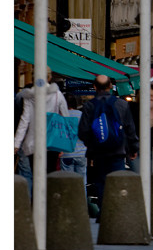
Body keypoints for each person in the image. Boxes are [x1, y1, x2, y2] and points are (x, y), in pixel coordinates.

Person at [77, 75, 139, 211]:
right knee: (116, 181)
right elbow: (130, 129)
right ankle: (116, 212)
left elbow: (83, 131)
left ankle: (103, 212)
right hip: (118, 151)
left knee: (100, 182)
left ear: (94, 87)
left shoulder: (89, 106)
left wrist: (92, 144)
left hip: (98, 153)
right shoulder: (122, 104)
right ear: (110, 86)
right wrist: (133, 148)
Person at [14, 72, 70, 196]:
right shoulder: (57, 94)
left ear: (33, 78)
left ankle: (36, 206)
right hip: (52, 142)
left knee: (36, 176)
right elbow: (65, 118)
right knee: (50, 174)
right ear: (49, 77)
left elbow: (25, 120)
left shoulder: (29, 96)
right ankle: (48, 206)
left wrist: (16, 143)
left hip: (33, 143)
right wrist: (65, 143)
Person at [60, 94, 88, 184]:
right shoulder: (82, 115)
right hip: (81, 153)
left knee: (68, 183)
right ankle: (82, 198)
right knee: (81, 182)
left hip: (66, 154)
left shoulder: (61, 116)